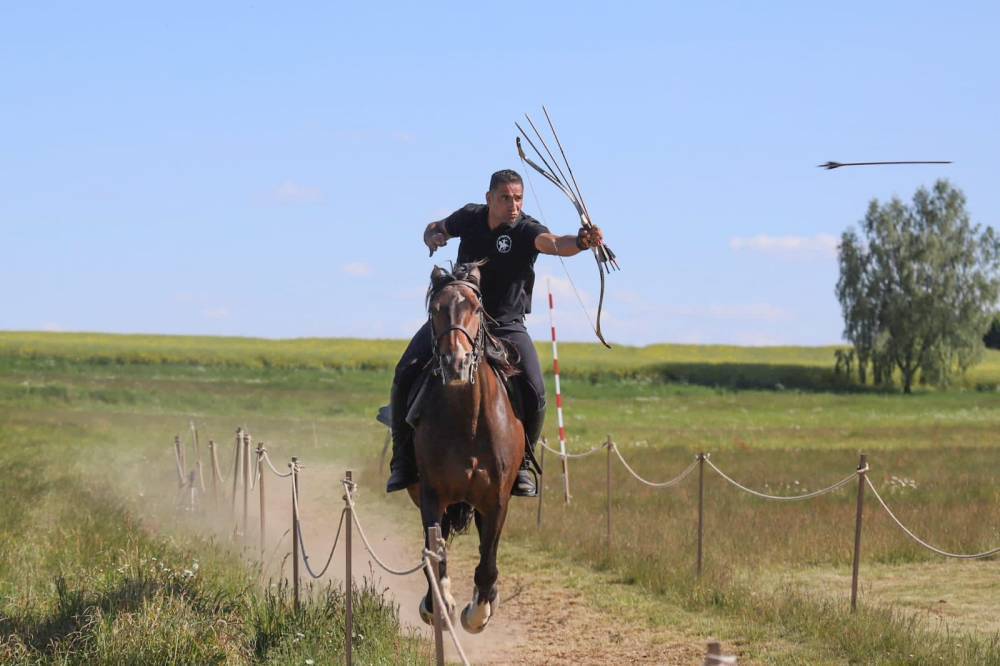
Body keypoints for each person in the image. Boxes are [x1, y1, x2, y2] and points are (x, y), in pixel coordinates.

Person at [386, 169, 603, 497]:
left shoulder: (527, 229)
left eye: (518, 198)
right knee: (405, 372)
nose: (513, 205)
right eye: (505, 198)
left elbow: (557, 243)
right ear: (490, 199)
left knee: (536, 389)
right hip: (458, 320)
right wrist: (432, 235)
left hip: (505, 326)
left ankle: (524, 463)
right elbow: (437, 227)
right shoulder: (470, 216)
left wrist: (583, 241)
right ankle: (403, 459)